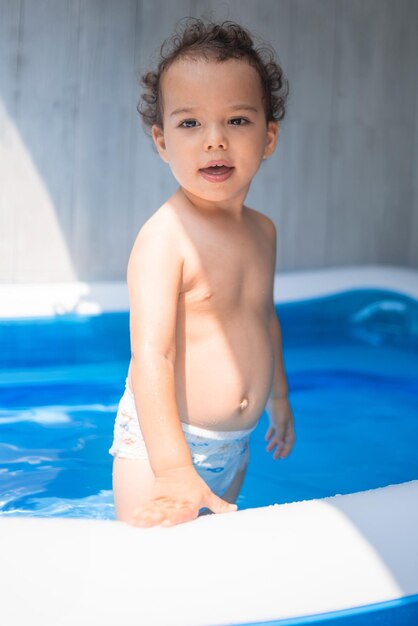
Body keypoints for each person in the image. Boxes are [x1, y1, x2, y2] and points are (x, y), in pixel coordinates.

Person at [109, 18, 296, 528]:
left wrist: (278, 397)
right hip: (161, 448)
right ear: (162, 140)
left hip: (236, 444)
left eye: (236, 120)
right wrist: (172, 468)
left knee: (208, 568)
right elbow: (152, 354)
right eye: (190, 124)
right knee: (151, 582)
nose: (214, 141)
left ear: (269, 136)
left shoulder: (263, 232)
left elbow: (263, 316)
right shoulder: (165, 239)